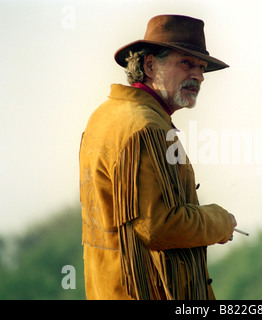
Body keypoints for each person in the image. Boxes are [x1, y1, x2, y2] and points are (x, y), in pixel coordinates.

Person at [79, 14, 237, 300]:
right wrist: (220, 221)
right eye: (186, 63)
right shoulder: (145, 127)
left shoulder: (105, 116)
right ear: (150, 65)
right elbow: (158, 226)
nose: (198, 76)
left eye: (201, 67)